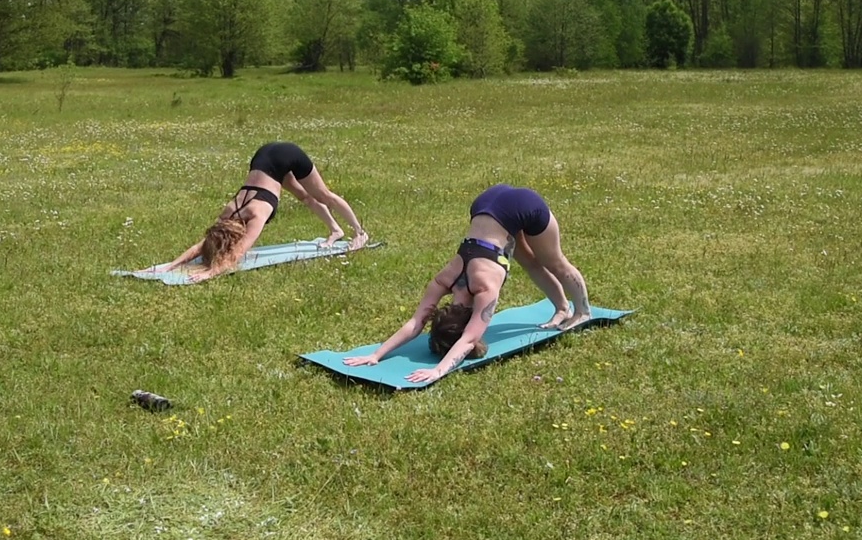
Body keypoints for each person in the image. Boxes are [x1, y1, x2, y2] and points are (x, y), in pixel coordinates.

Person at [343, 183, 591, 384]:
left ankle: (582, 311)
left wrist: (438, 371)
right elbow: (416, 323)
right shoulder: (444, 281)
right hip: (486, 204)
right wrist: (376, 355)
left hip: (523, 204)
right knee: (530, 263)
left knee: (554, 261)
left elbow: (468, 341)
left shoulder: (484, 288)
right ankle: (561, 308)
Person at [140, 142, 369, 283]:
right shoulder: (228, 213)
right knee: (304, 198)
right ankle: (335, 230)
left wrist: (212, 273)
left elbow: (238, 252)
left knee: (323, 195)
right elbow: (201, 244)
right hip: (265, 158)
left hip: (287, 154)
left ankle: (359, 232)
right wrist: (170, 265)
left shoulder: (257, 214)